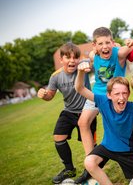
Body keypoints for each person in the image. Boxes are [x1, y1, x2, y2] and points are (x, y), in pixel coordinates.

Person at [75, 61, 133, 184]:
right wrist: (80, 72)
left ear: (129, 94)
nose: (121, 97)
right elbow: (80, 88)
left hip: (127, 151)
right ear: (109, 95)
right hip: (107, 147)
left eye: (125, 93)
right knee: (89, 162)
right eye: (117, 94)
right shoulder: (103, 101)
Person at [75, 27, 132, 183]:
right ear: (94, 45)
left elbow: (130, 47)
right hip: (97, 95)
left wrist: (125, 44)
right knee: (83, 122)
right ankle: (90, 161)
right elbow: (92, 56)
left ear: (112, 42)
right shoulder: (94, 56)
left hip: (114, 95)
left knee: (117, 127)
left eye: (108, 42)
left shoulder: (118, 53)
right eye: (100, 43)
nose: (105, 46)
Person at [37, 42, 97, 184]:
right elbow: (50, 96)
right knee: (58, 137)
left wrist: (87, 61)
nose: (72, 61)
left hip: (86, 110)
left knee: (90, 144)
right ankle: (69, 169)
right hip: (69, 111)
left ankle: (91, 170)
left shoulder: (82, 66)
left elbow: (92, 61)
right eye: (68, 57)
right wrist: (43, 94)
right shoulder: (56, 76)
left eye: (75, 57)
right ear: (61, 60)